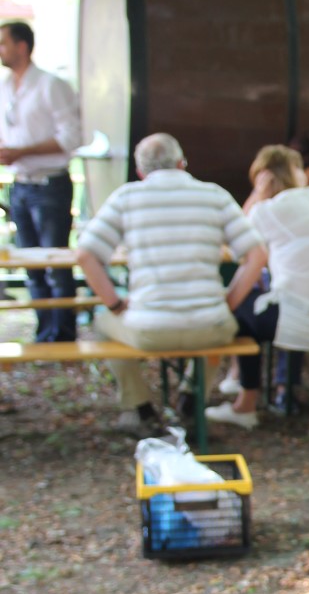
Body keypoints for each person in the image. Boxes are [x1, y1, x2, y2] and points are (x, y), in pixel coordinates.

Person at [76, 133, 266, 433]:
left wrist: (114, 304)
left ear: (141, 172)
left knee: (103, 327)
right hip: (209, 325)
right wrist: (228, 302)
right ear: (182, 163)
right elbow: (257, 255)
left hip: (149, 328)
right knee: (218, 328)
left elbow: (86, 255)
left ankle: (139, 409)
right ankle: (192, 397)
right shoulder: (214, 195)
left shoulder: (127, 197)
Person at [207, 144, 309, 430]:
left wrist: (257, 194)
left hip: (303, 322)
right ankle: (245, 392)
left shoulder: (267, 210)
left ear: (262, 176)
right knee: (255, 301)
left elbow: (235, 240)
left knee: (239, 314)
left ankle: (245, 402)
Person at [0, 20, 83, 342]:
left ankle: (62, 333)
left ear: (22, 46)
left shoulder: (51, 85)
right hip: (20, 183)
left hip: (50, 184)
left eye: (4, 43)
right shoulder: (6, 86)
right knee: (29, 262)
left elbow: (71, 137)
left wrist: (24, 151)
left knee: (55, 260)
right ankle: (43, 330)